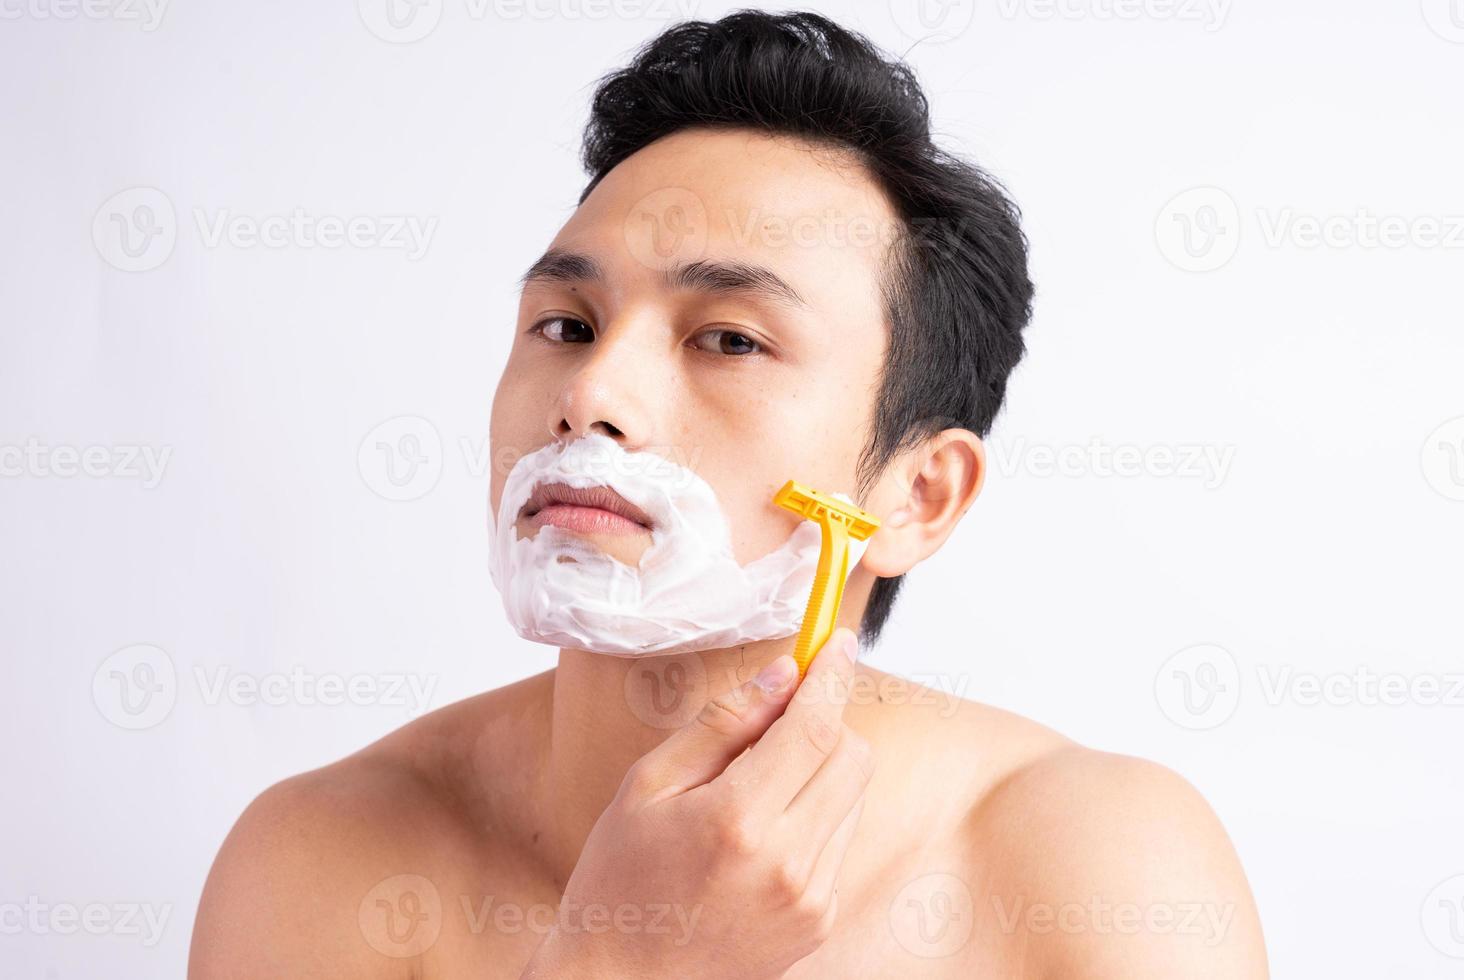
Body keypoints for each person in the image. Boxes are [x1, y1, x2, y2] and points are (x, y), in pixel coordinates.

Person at [190, 10, 1268, 977]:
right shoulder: (323, 858)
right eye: (566, 323)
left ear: (919, 495)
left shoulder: (1103, 867)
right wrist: (622, 962)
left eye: (729, 339)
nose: (591, 394)